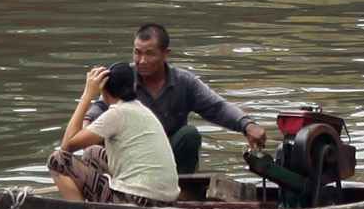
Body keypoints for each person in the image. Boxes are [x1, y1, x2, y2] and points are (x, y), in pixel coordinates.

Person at [88, 22, 267, 176]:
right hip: (131, 155)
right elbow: (101, 106)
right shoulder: (125, 77)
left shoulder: (183, 81)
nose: (141, 60)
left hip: (169, 158)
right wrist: (88, 119)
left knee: (189, 135)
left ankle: (183, 193)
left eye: (149, 54)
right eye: (137, 53)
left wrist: (247, 125)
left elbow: (217, 107)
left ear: (166, 54)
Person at [48, 63, 183, 204]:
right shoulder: (141, 110)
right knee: (91, 153)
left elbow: (66, 146)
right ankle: (94, 202)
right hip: (164, 198)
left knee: (57, 160)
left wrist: (87, 95)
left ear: (104, 91)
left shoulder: (117, 114)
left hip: (137, 200)